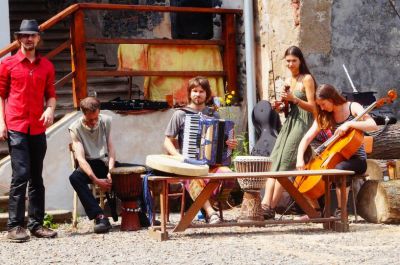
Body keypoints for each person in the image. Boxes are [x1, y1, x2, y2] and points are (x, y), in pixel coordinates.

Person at [0, 19, 57, 242]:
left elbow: (51, 95)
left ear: (38, 38)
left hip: (38, 127)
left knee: (36, 178)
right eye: (24, 35)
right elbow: (1, 95)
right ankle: (14, 226)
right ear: (18, 38)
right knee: (21, 175)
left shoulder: (47, 67)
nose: (28, 39)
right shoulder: (7, 64)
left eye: (32, 35)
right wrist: (1, 123)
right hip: (15, 125)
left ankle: (36, 224)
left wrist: (51, 110)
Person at [296, 84, 378, 217]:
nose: (322, 108)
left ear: (332, 98)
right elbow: (306, 139)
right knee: (304, 175)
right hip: (335, 158)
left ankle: (341, 211)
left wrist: (349, 124)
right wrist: (299, 158)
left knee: (340, 168)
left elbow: (373, 126)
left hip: (357, 160)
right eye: (319, 105)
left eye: (323, 104)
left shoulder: (353, 107)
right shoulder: (325, 115)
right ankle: (316, 211)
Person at [164, 76, 237, 224]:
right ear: (190, 93)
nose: (198, 94)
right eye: (195, 91)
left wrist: (229, 144)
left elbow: (221, 143)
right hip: (188, 164)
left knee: (229, 175)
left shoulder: (213, 114)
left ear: (207, 94)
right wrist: (177, 156)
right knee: (194, 179)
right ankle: (210, 213)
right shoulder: (180, 114)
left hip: (210, 164)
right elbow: (167, 141)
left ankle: (207, 204)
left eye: (201, 91)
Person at [261, 46, 317, 219]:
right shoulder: (287, 79)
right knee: (275, 161)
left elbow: (313, 107)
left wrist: (294, 99)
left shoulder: (307, 79)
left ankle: (271, 206)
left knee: (284, 164)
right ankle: (265, 205)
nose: (291, 64)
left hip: (303, 122)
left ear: (300, 61)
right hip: (290, 121)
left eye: (294, 60)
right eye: (288, 61)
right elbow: (287, 109)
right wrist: (280, 107)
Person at [69, 97, 115, 234]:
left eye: (96, 118)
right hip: (89, 165)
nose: (94, 122)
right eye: (90, 119)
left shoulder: (106, 120)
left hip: (106, 163)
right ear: (83, 113)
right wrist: (95, 180)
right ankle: (100, 217)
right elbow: (81, 159)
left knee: (132, 174)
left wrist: (111, 171)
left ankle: (138, 213)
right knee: (74, 178)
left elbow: (112, 149)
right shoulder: (75, 128)